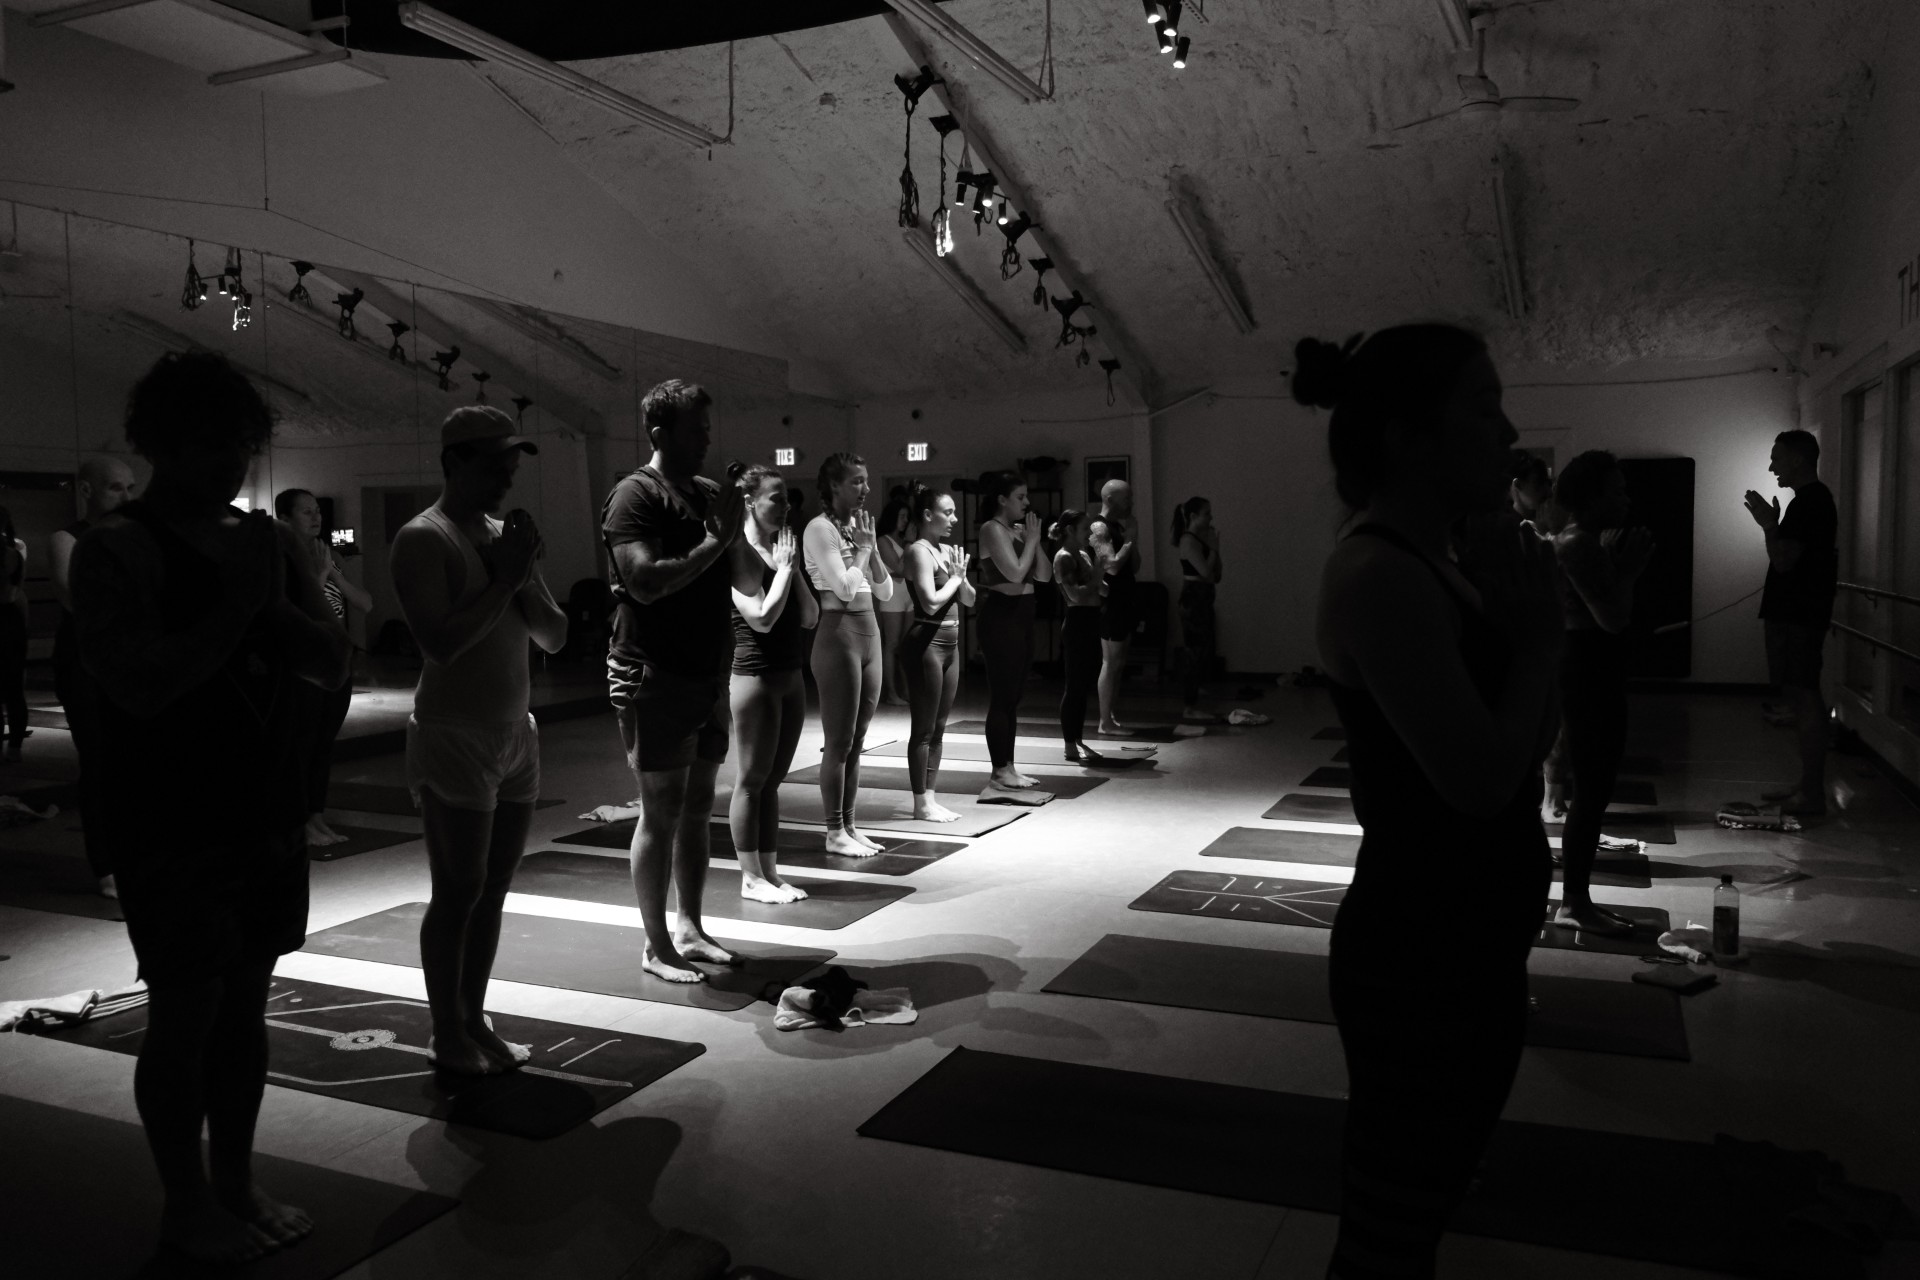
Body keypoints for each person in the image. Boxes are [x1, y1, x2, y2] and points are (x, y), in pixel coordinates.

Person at [71, 351, 351, 1265]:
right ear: (162, 443)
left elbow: (325, 659)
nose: (233, 460)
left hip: (261, 807)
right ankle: (184, 1198)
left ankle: (232, 1177)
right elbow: (139, 686)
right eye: (213, 442)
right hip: (169, 817)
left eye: (243, 441)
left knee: (245, 1011)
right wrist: (243, 607)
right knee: (185, 1012)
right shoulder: (119, 550)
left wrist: (279, 598)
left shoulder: (259, 541)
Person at [1300, 325, 1561, 1278]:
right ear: (1410, 435)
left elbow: (1529, 742)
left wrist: (1537, 629)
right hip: (1420, 955)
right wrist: (1534, 641)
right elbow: (1484, 781)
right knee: (1387, 1236)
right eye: (1485, 407)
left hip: (1466, 941)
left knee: (1418, 1208)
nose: (1509, 431)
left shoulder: (1438, 563)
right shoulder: (1378, 575)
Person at [391, 406, 568, 1068]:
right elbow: (440, 644)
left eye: (512, 465)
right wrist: (505, 578)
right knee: (458, 890)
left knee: (493, 888)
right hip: (454, 733)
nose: (506, 478)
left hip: (515, 733)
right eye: (494, 465)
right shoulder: (422, 537)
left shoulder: (503, 537)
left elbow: (555, 635)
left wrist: (519, 574)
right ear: (454, 463)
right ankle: (447, 1032)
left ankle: (472, 1016)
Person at [603, 381, 743, 982]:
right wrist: (718, 538)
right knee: (659, 810)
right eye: (696, 429)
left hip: (707, 669)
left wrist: (754, 520)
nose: (707, 438)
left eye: (708, 427)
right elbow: (644, 582)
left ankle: (689, 925)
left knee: (696, 807)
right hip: (654, 671)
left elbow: (743, 568)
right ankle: (655, 945)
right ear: (660, 434)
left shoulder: (708, 492)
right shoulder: (635, 495)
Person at [1549, 451, 1654, 935]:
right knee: (1592, 790)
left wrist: (1616, 564)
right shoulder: (1577, 544)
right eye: (1616, 491)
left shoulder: (1585, 541)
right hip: (1587, 669)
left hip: (1588, 666)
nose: (1626, 499)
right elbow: (1612, 618)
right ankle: (1574, 902)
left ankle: (1578, 898)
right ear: (1589, 499)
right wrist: (1629, 569)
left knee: (1594, 787)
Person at [728, 464, 818, 903]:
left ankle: (769, 871)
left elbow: (810, 616)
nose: (785, 507)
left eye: (787, 499)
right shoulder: (738, 553)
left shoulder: (782, 553)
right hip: (755, 678)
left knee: (773, 781)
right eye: (776, 499)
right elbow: (762, 619)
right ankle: (750, 878)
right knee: (751, 779)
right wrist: (782, 570)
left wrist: (792, 568)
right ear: (750, 501)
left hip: (790, 676)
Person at [50, 456, 137, 894]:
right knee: (100, 761)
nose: (126, 497)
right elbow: (76, 603)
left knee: (137, 760)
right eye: (115, 488)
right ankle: (106, 862)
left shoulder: (136, 536)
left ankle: (137, 851)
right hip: (85, 664)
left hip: (129, 660)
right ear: (86, 491)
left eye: (129, 488)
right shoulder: (68, 538)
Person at [804, 452, 894, 854]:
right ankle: (833, 831)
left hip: (869, 632)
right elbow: (842, 588)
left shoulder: (860, 529)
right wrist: (860, 551)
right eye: (856, 481)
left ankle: (851, 826)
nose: (866, 489)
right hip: (838, 634)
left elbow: (886, 591)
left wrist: (871, 551)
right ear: (835, 486)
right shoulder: (818, 529)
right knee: (838, 741)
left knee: (858, 740)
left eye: (866, 480)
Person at [1745, 429, 1838, 817]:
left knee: (1803, 695)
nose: (1771, 466)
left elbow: (1783, 561)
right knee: (1799, 695)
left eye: (1777, 458)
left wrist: (1769, 525)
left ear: (1798, 459)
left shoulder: (1811, 502)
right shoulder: (1809, 502)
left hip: (1798, 614)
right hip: (1798, 613)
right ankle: (1807, 785)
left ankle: (1812, 792)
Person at [275, 488, 373, 850]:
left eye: (317, 511)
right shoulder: (281, 558)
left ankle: (316, 816)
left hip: (336, 662)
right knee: (301, 743)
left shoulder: (328, 554)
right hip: (303, 668)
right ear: (284, 519)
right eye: (306, 512)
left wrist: (334, 573)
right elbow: (293, 615)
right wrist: (316, 578)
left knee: (322, 745)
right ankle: (299, 820)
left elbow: (365, 603)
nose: (316, 517)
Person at [899, 483, 973, 819]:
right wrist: (956, 581)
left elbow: (969, 599)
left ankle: (929, 797)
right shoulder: (918, 551)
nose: (954, 519)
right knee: (924, 728)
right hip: (927, 644)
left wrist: (962, 578)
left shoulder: (945, 551)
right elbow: (929, 603)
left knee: (940, 726)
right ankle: (920, 803)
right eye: (948, 512)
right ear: (928, 515)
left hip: (950, 645)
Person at [976, 471, 1052, 793]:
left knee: (1014, 697)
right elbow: (1016, 572)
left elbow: (1045, 576)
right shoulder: (991, 529)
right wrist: (1030, 541)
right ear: (1002, 500)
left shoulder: (1016, 531)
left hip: (1022, 615)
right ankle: (998, 770)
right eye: (1020, 497)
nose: (1027, 503)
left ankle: (1008, 767)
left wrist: (1033, 540)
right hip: (1001, 616)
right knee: (1003, 695)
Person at [1051, 508, 1110, 764]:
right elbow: (1075, 595)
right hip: (1077, 623)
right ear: (1070, 530)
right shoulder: (1063, 557)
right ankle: (1069, 742)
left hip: (1091, 620)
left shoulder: (1083, 554)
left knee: (1084, 685)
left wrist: (1100, 575)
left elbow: (1102, 590)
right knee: (1074, 685)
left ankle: (1077, 739)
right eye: (1085, 529)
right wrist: (1097, 577)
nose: (1089, 534)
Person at [1090, 478, 1139, 735]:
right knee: (1110, 661)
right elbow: (1112, 565)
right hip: (1110, 601)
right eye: (1126, 497)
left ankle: (1110, 716)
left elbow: (1134, 565)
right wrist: (1130, 539)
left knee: (1119, 663)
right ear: (1110, 499)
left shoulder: (1118, 528)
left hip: (1124, 598)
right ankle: (1104, 722)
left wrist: (1133, 539)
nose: (1131, 502)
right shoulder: (1099, 526)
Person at [1172, 496, 1224, 723]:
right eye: (1206, 513)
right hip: (1193, 599)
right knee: (1194, 650)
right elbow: (1204, 572)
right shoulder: (1188, 540)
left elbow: (1216, 575)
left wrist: (1214, 550)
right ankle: (1189, 705)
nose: (1211, 517)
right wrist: (1214, 549)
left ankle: (1195, 690)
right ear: (1193, 516)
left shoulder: (1201, 538)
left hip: (1203, 597)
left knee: (1204, 647)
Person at [874, 497, 913, 707]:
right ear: (892, 517)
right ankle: (891, 692)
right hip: (892, 595)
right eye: (902, 516)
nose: (905, 521)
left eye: (907, 517)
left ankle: (906, 689)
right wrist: (908, 542)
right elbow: (898, 568)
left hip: (908, 593)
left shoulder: (907, 540)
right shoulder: (883, 540)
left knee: (907, 645)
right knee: (892, 644)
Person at [0, 507, 27, 764]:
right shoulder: (15, 554)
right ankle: (17, 740)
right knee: (14, 685)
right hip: (11, 620)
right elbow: (15, 593)